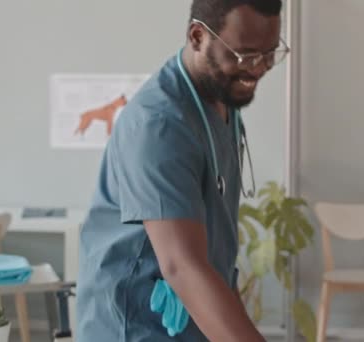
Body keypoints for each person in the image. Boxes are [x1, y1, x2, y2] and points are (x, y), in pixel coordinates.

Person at [76, 0, 289, 341]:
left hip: (189, 321)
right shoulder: (158, 124)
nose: (260, 68)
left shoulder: (222, 102)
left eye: (271, 53)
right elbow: (183, 266)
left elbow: (215, 253)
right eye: (246, 55)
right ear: (197, 36)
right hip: (134, 325)